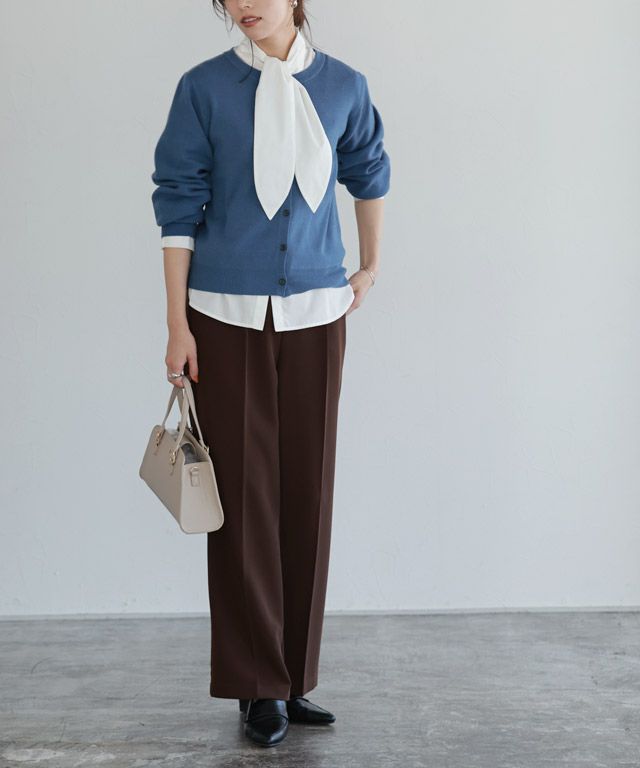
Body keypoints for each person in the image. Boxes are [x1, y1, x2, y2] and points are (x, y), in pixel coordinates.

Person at [150, 0, 390, 748]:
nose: (244, 5)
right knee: (244, 501)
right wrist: (177, 324)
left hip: (318, 312)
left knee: (307, 494)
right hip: (225, 316)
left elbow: (369, 172)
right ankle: (257, 685)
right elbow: (177, 207)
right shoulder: (203, 88)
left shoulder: (344, 85)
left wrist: (370, 266)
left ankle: (294, 675)